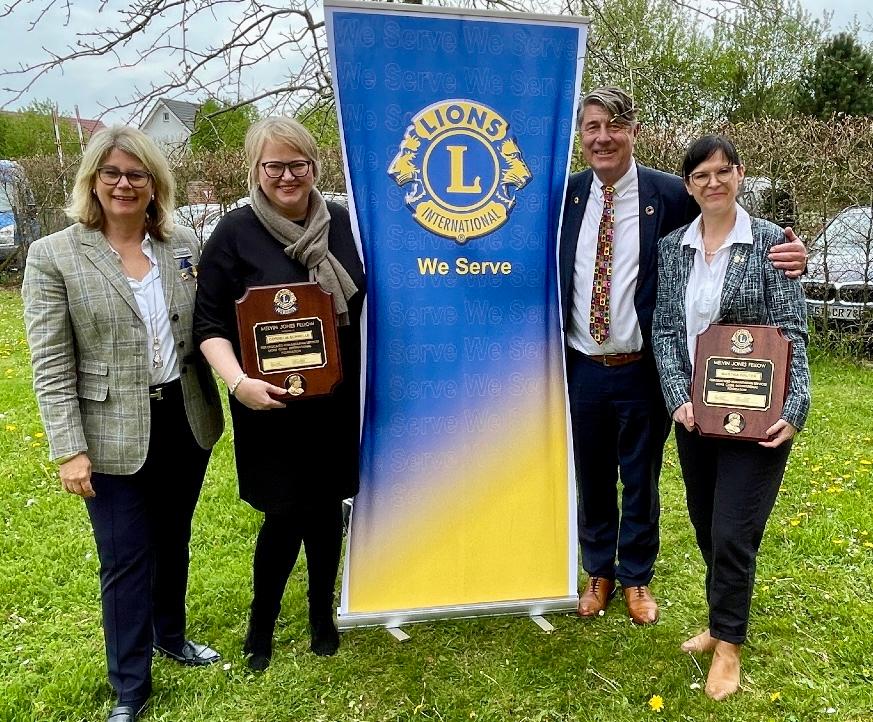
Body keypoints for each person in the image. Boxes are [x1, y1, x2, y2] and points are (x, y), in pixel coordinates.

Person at [558, 87, 807, 625]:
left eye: (615, 126)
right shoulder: (565, 195)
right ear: (580, 135)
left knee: (641, 476)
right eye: (592, 127)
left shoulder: (669, 192)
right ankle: (598, 570)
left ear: (633, 131)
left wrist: (788, 250)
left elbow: (724, 212)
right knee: (591, 474)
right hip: (581, 363)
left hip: (642, 364)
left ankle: (636, 577)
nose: (603, 138)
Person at [22, 126, 224, 722]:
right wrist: (69, 448)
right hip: (108, 432)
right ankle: (130, 687)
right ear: (92, 180)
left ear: (154, 184)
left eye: (137, 174)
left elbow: (208, 323)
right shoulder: (54, 255)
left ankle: (170, 635)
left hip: (184, 418)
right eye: (110, 173)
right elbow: (51, 363)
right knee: (125, 556)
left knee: (173, 540)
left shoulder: (181, 244)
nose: (123, 184)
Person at [194, 117, 365, 671]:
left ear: (314, 165)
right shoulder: (234, 232)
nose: (287, 176)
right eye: (275, 166)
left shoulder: (343, 223)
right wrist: (238, 383)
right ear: (255, 169)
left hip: (335, 400)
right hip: (268, 403)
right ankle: (261, 623)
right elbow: (208, 324)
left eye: (298, 164)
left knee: (327, 510)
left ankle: (321, 616)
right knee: (285, 513)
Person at [652, 134, 810, 700]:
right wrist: (678, 397)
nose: (713, 183)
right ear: (688, 185)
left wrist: (795, 407)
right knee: (704, 524)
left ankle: (729, 647)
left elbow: (792, 330)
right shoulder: (673, 248)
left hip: (759, 416)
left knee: (732, 531)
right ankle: (719, 621)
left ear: (739, 174)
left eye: (723, 171)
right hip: (697, 415)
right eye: (701, 175)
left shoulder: (771, 243)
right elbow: (666, 330)